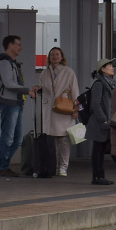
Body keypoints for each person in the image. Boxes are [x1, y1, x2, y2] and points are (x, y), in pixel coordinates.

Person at [0, 34, 40, 179]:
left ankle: (3, 165)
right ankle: (2, 167)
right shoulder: (4, 63)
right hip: (8, 103)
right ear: (10, 45)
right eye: (18, 44)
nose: (20, 47)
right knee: (7, 136)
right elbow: (8, 84)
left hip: (16, 103)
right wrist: (27, 91)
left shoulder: (12, 63)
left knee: (17, 138)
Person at [40, 46, 81, 176]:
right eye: (52, 54)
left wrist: (76, 109)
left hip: (65, 109)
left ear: (62, 57)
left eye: (57, 54)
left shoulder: (69, 72)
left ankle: (63, 167)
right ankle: (55, 165)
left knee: (63, 139)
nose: (55, 56)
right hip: (50, 110)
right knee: (52, 140)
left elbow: (75, 91)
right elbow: (42, 88)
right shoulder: (44, 73)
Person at [86, 59, 116, 185]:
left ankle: (100, 175)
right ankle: (97, 176)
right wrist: (103, 118)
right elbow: (96, 104)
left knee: (102, 149)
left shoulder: (109, 83)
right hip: (99, 122)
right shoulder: (99, 84)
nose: (112, 67)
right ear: (102, 69)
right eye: (109, 65)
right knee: (98, 149)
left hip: (105, 121)